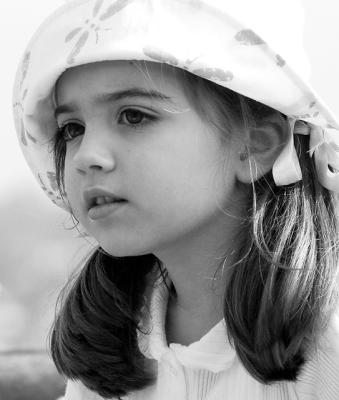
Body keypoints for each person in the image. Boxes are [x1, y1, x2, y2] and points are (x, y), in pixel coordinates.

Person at [12, 0, 339, 399]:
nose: (86, 157)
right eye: (72, 128)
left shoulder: (328, 342)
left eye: (134, 116)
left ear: (256, 144)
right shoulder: (109, 351)